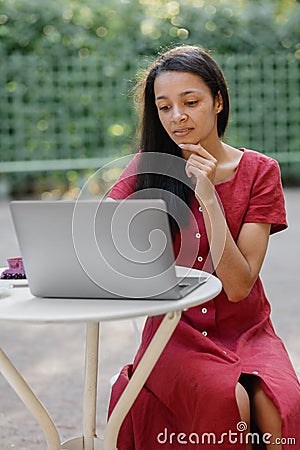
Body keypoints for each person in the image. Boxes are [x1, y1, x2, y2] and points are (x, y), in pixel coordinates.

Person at [107, 45, 300, 449]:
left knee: (283, 406)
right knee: (223, 399)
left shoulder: (260, 172)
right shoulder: (147, 168)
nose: (177, 116)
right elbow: (99, 236)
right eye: (164, 107)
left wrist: (208, 196)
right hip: (174, 332)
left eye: (190, 101)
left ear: (218, 101)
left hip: (247, 329)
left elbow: (238, 286)